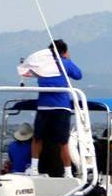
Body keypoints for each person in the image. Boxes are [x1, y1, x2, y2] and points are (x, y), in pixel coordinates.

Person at [18, 39, 82, 177]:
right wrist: (67, 60)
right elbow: (78, 75)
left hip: (44, 107)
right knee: (63, 142)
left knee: (37, 138)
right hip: (61, 107)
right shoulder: (64, 63)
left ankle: (34, 169)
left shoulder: (41, 65)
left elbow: (28, 71)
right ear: (64, 52)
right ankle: (68, 173)